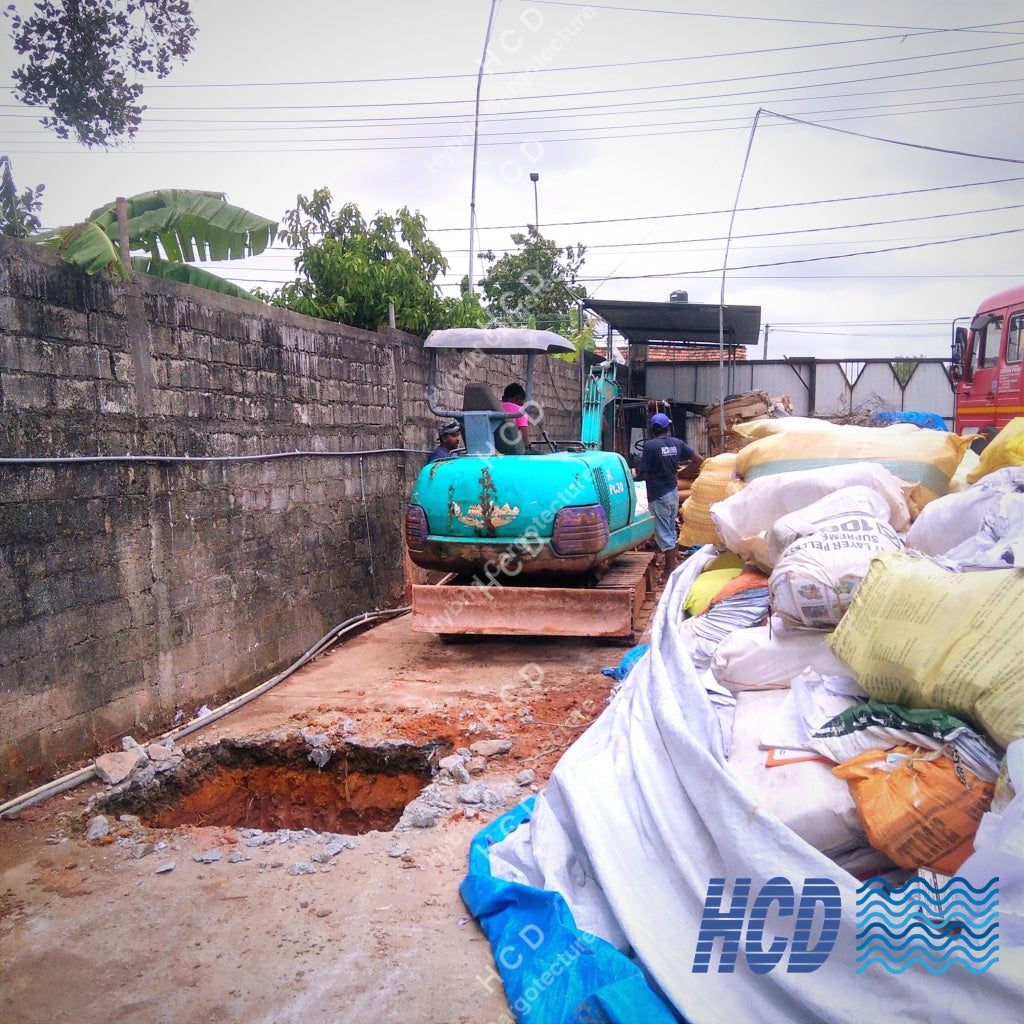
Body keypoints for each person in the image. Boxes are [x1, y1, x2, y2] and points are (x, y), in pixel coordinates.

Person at [634, 412, 703, 583]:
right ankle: (672, 567)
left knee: (664, 534)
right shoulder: (677, 443)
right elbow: (699, 460)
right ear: (667, 427)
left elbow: (643, 474)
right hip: (673, 493)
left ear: (652, 429)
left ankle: (669, 571)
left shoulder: (651, 447)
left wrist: (633, 479)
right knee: (670, 530)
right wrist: (681, 473)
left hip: (658, 494)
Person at [500, 382, 530, 449]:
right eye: (522, 402)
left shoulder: (495, 409)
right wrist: (528, 447)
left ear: (503, 398)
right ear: (516, 399)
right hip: (512, 450)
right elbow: (524, 435)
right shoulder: (520, 411)